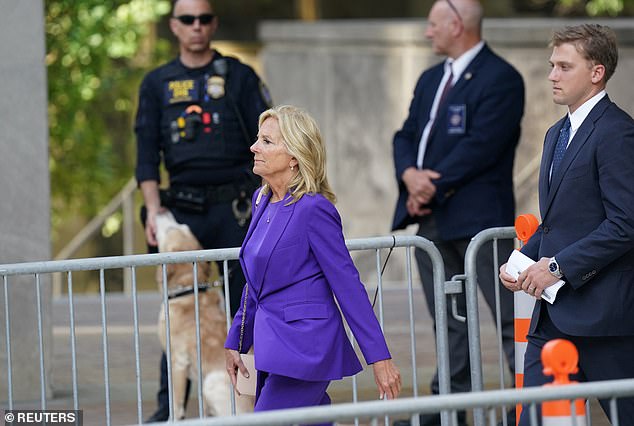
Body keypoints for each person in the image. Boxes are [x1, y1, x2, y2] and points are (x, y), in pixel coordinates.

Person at [134, 0, 272, 421]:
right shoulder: (157, 82)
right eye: (188, 20)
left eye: (204, 19)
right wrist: (155, 213)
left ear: (213, 24)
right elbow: (145, 154)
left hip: (235, 212)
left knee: (243, 313)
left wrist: (268, 204)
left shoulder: (240, 76)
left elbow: (271, 138)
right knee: (180, 316)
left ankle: (253, 408)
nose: (197, 27)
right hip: (185, 214)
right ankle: (168, 411)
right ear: (174, 26)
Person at [224, 105, 401, 423]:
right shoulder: (261, 200)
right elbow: (256, 282)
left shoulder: (313, 209)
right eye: (257, 139)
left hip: (305, 349)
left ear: (294, 155)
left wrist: (380, 357)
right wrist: (237, 338)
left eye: (266, 141)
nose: (254, 147)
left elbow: (347, 285)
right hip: (271, 346)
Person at [391, 0, 524, 424]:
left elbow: (483, 145)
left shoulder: (501, 78)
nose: (428, 33)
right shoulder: (432, 79)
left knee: (509, 318)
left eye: (433, 25)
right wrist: (410, 175)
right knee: (448, 324)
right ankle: (450, 409)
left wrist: (430, 184)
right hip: (431, 221)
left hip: (479, 221)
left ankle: (531, 404)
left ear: (456, 24)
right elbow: (405, 134)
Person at [499, 24, 634, 425]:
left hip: (606, 320)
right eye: (551, 65)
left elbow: (626, 223)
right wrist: (521, 260)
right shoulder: (556, 132)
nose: (552, 75)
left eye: (563, 66)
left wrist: (556, 267)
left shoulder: (618, 132)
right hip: (553, 318)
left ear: (596, 72)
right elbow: (557, 222)